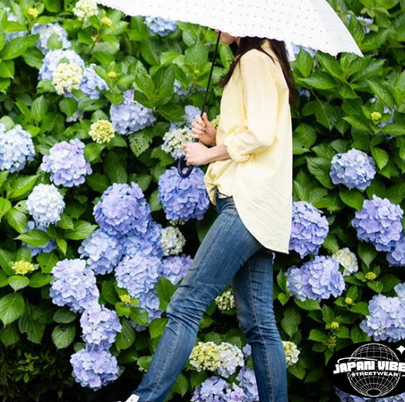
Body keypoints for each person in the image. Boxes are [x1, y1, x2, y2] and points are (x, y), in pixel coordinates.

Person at [124, 32, 297, 402]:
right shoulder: (268, 58)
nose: (217, 26)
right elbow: (261, 135)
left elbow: (262, 134)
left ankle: (145, 399)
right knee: (260, 326)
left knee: (186, 304)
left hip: (247, 203)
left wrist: (208, 153)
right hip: (260, 206)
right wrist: (216, 136)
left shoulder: (253, 60)